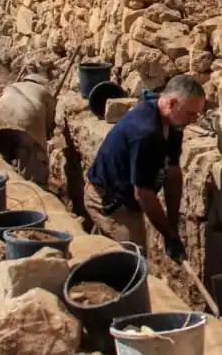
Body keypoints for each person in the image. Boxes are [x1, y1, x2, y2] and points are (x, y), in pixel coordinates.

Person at [85, 74, 207, 260]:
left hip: (129, 199)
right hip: (109, 202)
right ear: (172, 103)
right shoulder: (145, 133)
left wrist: (172, 227)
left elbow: (173, 175)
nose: (194, 120)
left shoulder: (174, 125)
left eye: (197, 114)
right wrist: (167, 235)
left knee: (118, 257)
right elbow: (143, 194)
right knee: (133, 263)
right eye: (191, 113)